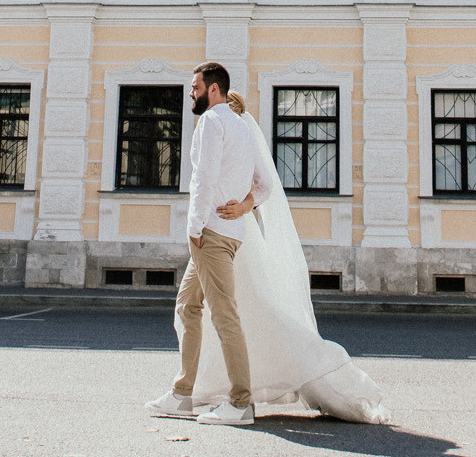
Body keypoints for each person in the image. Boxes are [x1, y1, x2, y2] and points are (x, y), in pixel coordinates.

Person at [146, 61, 390, 427]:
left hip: (210, 233)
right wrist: (244, 207)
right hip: (228, 233)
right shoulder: (241, 127)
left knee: (224, 315)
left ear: (214, 89)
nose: (190, 94)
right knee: (188, 307)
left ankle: (240, 403)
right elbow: (265, 184)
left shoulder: (212, 122)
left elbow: (204, 180)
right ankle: (183, 394)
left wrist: (194, 227)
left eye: (195, 87)